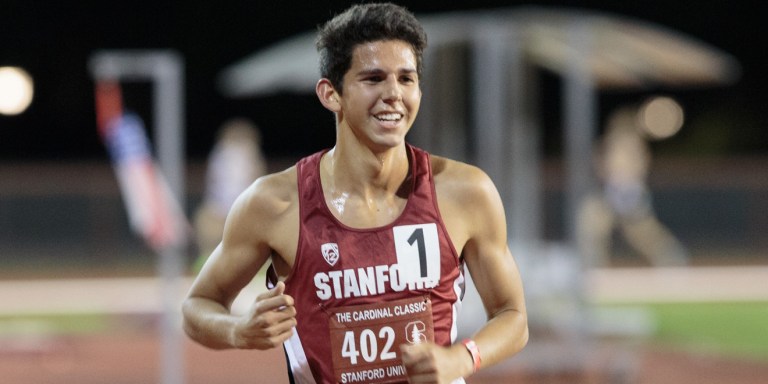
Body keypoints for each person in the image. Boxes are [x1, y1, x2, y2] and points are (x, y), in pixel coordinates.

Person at [182, 3, 528, 383]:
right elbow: (198, 306)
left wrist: (462, 359)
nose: (394, 94)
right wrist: (238, 331)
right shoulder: (275, 203)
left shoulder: (465, 192)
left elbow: (512, 316)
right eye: (374, 78)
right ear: (331, 94)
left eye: (406, 79)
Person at [192, 118, 266, 271]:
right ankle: (207, 259)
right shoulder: (220, 154)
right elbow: (212, 182)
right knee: (204, 221)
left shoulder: (250, 154)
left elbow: (258, 180)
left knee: (262, 225)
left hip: (243, 205)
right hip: (220, 206)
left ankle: (259, 263)